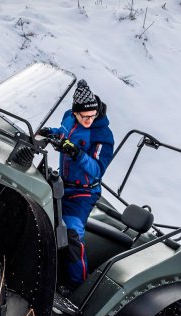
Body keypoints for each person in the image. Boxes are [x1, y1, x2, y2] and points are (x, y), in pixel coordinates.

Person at [39, 79, 114, 293]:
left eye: (92, 116)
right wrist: (50, 133)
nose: (89, 120)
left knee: (71, 232)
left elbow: (97, 168)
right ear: (75, 113)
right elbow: (64, 132)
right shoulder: (69, 117)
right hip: (62, 183)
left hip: (83, 193)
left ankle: (75, 286)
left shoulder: (103, 136)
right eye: (84, 117)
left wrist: (76, 153)